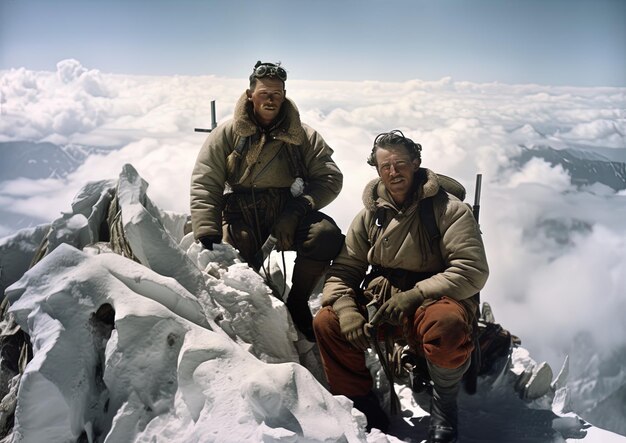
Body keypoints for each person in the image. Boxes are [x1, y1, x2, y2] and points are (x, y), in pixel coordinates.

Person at [313, 130, 489, 441]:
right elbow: (344, 269)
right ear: (377, 170)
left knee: (446, 324)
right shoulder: (370, 216)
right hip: (383, 299)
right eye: (385, 166)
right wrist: (346, 310)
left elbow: (471, 269)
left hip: (434, 297)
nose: (393, 172)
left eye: (401, 164)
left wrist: (415, 296)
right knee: (328, 322)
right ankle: (362, 403)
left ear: (416, 163)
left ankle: (444, 406)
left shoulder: (449, 210)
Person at [190, 61, 344, 342]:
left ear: (284, 95)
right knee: (239, 259)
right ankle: (253, 316)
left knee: (326, 236)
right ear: (250, 95)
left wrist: (299, 209)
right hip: (241, 211)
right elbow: (206, 181)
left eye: (277, 93)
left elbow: (330, 178)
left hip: (288, 209)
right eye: (264, 93)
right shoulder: (228, 134)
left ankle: (297, 302)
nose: (271, 99)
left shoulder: (303, 136)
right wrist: (207, 232)